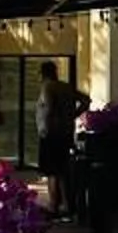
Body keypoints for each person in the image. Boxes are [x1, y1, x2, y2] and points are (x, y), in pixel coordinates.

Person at [37, 64, 81, 219]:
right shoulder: (66, 87)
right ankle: (67, 206)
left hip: (51, 134)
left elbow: (48, 108)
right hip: (66, 132)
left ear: (43, 74)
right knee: (63, 170)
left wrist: (45, 127)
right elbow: (86, 100)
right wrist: (72, 115)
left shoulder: (47, 87)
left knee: (52, 171)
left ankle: (53, 205)